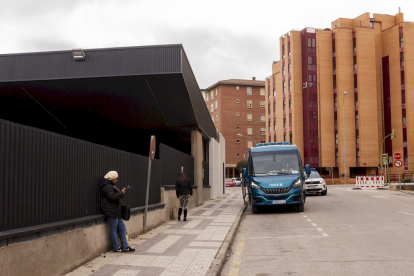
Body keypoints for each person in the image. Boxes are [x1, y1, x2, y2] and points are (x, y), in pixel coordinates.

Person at [100, 171, 135, 253]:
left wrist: (123, 192)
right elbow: (112, 197)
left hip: (116, 210)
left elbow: (116, 197)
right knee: (114, 230)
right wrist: (121, 192)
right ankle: (116, 248)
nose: (117, 180)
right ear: (112, 179)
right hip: (111, 211)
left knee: (122, 228)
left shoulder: (111, 186)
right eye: (116, 179)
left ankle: (125, 246)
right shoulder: (106, 186)